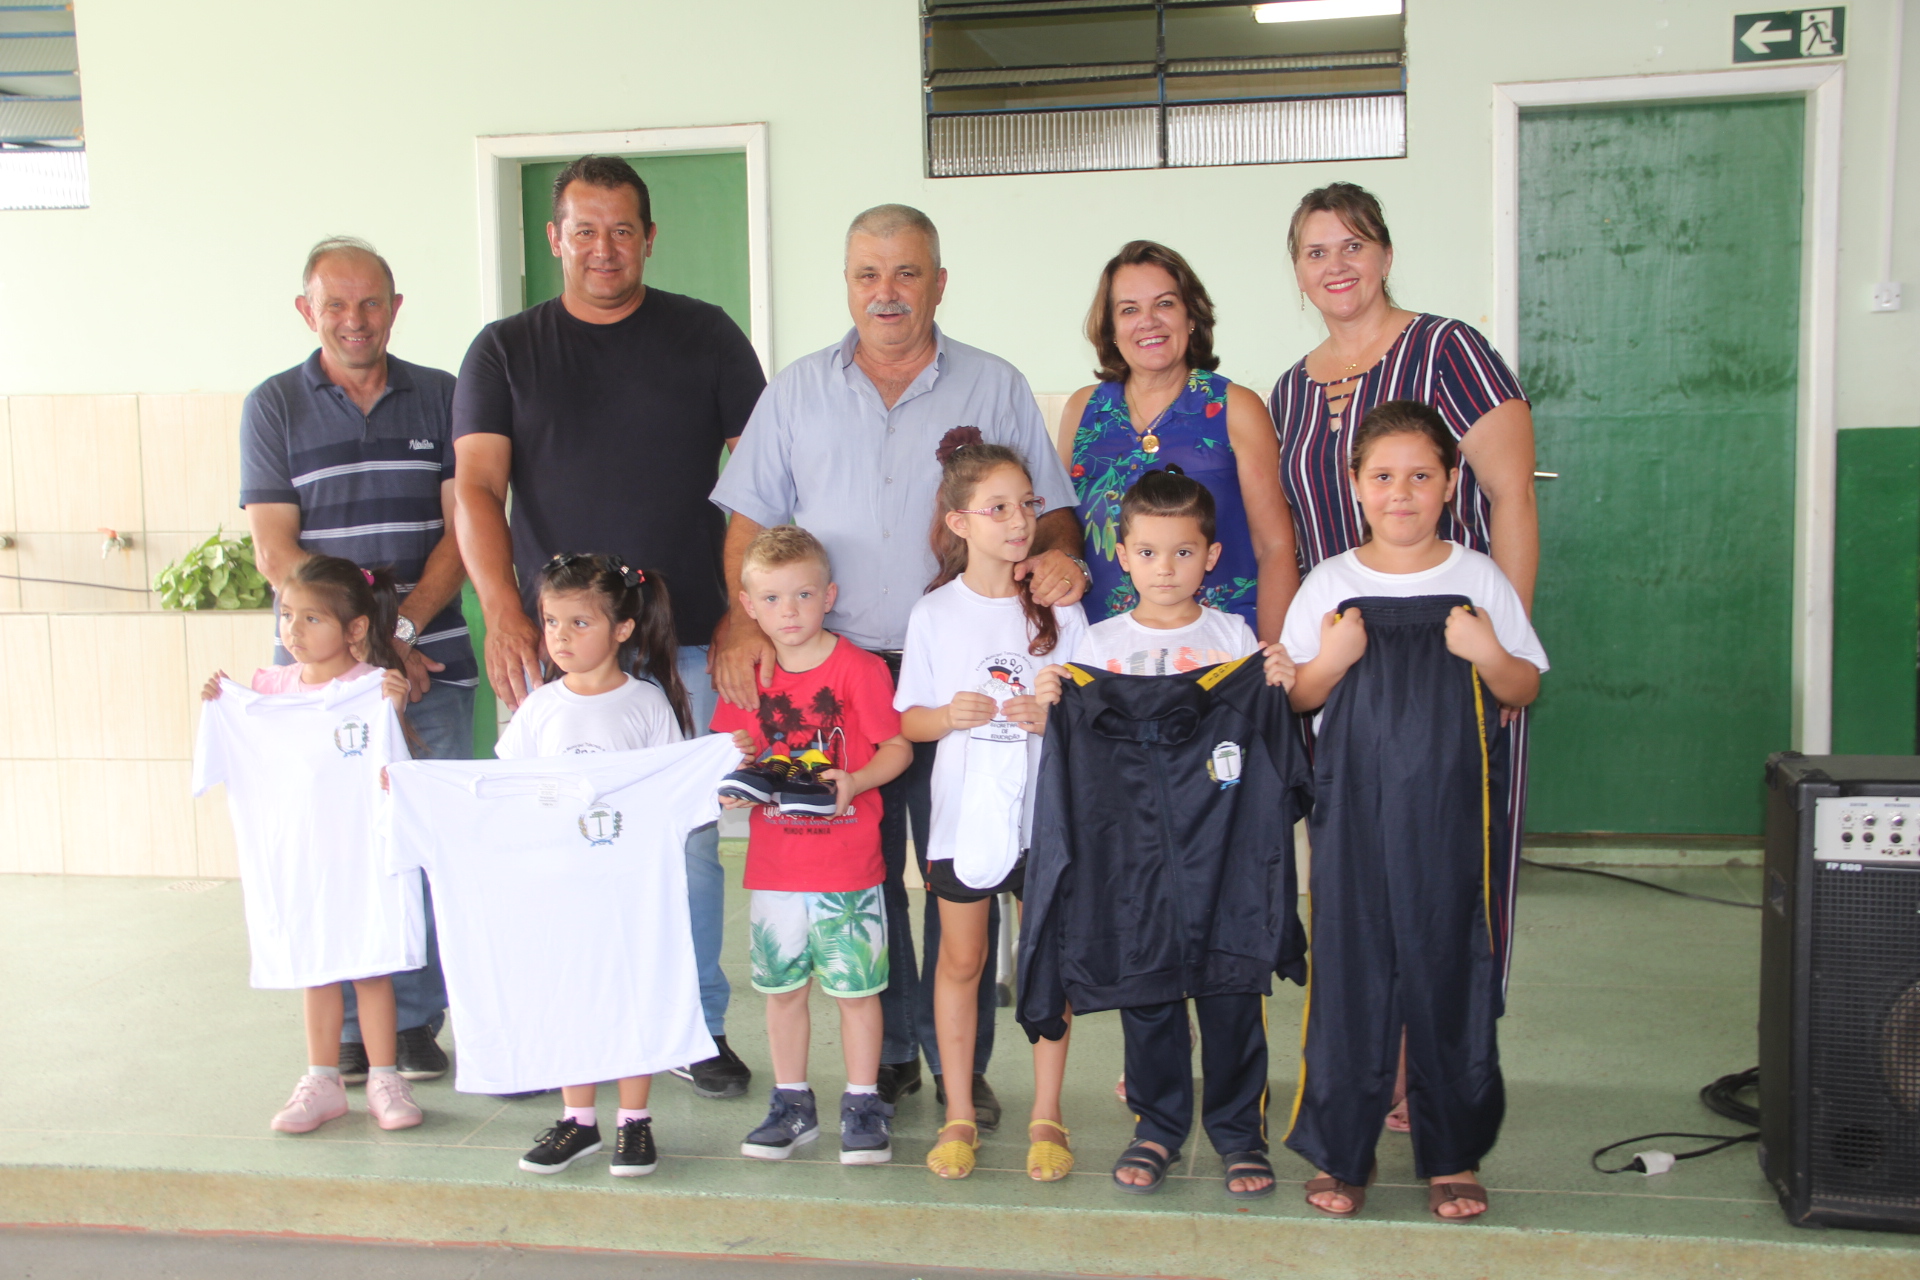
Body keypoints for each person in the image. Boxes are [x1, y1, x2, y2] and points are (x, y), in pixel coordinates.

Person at [711, 204, 1085, 1119]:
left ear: (939, 283)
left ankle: (964, 1064)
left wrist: (1064, 557)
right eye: (867, 275)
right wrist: (745, 620)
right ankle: (898, 1058)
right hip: (838, 675)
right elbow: (749, 525)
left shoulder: (994, 385)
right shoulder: (795, 392)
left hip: (960, 683)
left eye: (906, 273)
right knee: (863, 873)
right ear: (847, 284)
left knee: (961, 867)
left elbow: (1053, 512)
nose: (886, 293)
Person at [452, 155, 765, 1099]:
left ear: (649, 238)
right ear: (555, 240)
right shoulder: (506, 349)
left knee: (686, 845)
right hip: (562, 650)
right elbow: (473, 487)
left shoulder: (705, 335)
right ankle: (553, 1028)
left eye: (621, 229)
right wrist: (504, 609)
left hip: (694, 646)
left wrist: (748, 611)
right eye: (583, 229)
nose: (602, 248)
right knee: (552, 847)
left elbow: (757, 480)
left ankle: (694, 1026)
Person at [1269, 183, 1540, 1132]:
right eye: (1313, 250)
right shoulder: (1293, 389)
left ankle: (1444, 1067)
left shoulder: (1450, 350)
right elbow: (1293, 537)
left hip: (1453, 665)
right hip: (1347, 670)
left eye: (1353, 245)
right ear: (1296, 271)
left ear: (1384, 253)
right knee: (1354, 872)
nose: (1335, 265)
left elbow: (1512, 497)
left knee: (1458, 870)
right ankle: (1368, 1062)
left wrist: (1501, 654)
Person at [1278, 401, 1548, 1221]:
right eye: (1385, 476)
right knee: (1351, 971)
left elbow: (1524, 685)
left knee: (1447, 966)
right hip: (1350, 812)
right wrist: (1329, 659)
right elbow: (1296, 695)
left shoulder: (1477, 577)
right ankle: (1341, 1151)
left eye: (1422, 476)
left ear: (1450, 484)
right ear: (1356, 485)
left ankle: (1452, 1153)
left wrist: (1489, 651)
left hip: (1450, 814)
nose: (1403, 493)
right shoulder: (1330, 582)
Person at [240, 235, 467, 1084]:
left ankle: (411, 1024)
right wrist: (361, 649)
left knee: (418, 844)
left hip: (431, 665)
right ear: (307, 312)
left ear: (396, 308)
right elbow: (274, 549)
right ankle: (337, 1030)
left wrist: (400, 636)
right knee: (330, 846)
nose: (353, 319)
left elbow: (465, 529)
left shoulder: (443, 396)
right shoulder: (273, 406)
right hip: (319, 685)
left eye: (370, 302)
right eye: (334, 304)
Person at [1038, 469, 1296, 1198]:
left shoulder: (1231, 637)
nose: (1165, 569)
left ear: (1211, 558)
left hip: (1219, 851)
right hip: (1136, 855)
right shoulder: (1098, 642)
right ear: (1121, 556)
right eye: (1148, 553)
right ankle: (1156, 1125)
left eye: (1183, 553)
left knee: (1230, 988)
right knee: (1146, 990)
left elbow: (1257, 734)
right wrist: (1054, 693)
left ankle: (1240, 1133)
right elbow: (1076, 740)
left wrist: (1272, 676)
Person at [894, 433, 1088, 1181]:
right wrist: (950, 716)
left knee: (1045, 964)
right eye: (998, 507)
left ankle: (1048, 1114)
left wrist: (1057, 714)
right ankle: (958, 1115)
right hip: (962, 821)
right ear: (958, 521)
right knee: (962, 959)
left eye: (1028, 505)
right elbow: (908, 719)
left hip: (1044, 820)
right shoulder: (935, 614)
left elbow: (1091, 704)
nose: (1018, 520)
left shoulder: (1057, 608)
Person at [198, 557, 421, 1134]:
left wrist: (391, 710)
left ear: (354, 630)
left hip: (360, 855)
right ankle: (321, 1080)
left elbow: (394, 771)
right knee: (316, 967)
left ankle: (384, 1078)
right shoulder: (268, 689)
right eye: (286, 615)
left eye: (311, 618)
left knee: (371, 963)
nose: (292, 631)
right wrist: (219, 705)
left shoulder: (374, 688)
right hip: (300, 857)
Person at [712, 526, 913, 1166]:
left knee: (856, 992)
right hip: (774, 870)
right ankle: (792, 1103)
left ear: (829, 595)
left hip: (848, 866)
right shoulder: (747, 677)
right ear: (748, 606)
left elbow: (898, 748)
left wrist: (855, 780)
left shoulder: (860, 668)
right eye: (771, 599)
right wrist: (730, 785)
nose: (788, 611)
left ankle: (862, 1102)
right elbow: (727, 755)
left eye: (802, 594)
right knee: (782, 991)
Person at [498, 553, 694, 1178]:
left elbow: (673, 790)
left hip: (627, 886)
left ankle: (633, 1123)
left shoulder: (645, 704)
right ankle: (577, 1120)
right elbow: (506, 790)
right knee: (569, 995)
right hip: (560, 887)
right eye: (552, 621)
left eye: (579, 623)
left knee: (629, 995)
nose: (560, 636)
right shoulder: (537, 709)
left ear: (622, 630)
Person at [1060, 241, 1297, 639]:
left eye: (1165, 304)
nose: (1148, 321)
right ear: (1111, 329)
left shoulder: (1235, 407)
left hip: (1219, 652)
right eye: (1129, 309)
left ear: (1191, 315)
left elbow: (1275, 548)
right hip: (1105, 652)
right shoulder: (1082, 410)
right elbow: (1060, 528)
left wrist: (1269, 666)